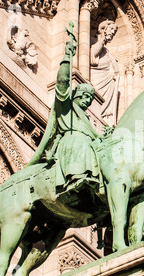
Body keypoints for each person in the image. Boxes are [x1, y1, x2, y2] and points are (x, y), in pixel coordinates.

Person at [26, 37, 102, 203]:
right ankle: (74, 179)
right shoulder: (66, 108)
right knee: (80, 142)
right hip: (71, 144)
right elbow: (61, 84)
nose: (88, 102)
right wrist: (68, 57)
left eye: (90, 100)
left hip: (86, 146)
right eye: (86, 97)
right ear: (79, 95)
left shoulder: (86, 119)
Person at [90, 20, 119, 124]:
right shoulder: (92, 41)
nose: (112, 32)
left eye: (114, 31)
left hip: (107, 84)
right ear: (103, 29)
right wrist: (102, 40)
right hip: (96, 79)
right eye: (111, 29)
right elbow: (91, 57)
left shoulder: (108, 52)